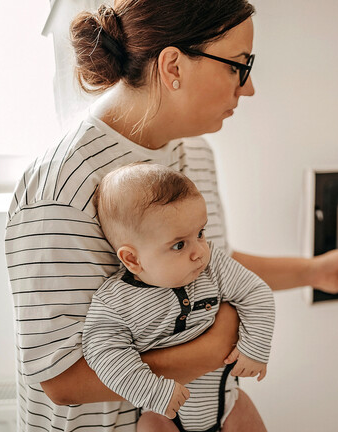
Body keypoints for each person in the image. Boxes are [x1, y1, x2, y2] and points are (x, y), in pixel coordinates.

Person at [3, 1, 338, 431]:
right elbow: (62, 380)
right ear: (173, 66)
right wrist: (219, 341)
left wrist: (312, 272)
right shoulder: (58, 191)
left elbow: (204, 268)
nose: (247, 88)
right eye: (238, 65)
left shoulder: (192, 150)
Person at [83, 163, 275, 432]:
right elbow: (104, 354)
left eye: (200, 233)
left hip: (226, 400)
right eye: (179, 245)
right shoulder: (115, 303)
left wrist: (256, 347)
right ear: (133, 259)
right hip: (163, 413)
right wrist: (152, 392)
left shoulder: (214, 266)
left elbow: (256, 293)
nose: (199, 251)